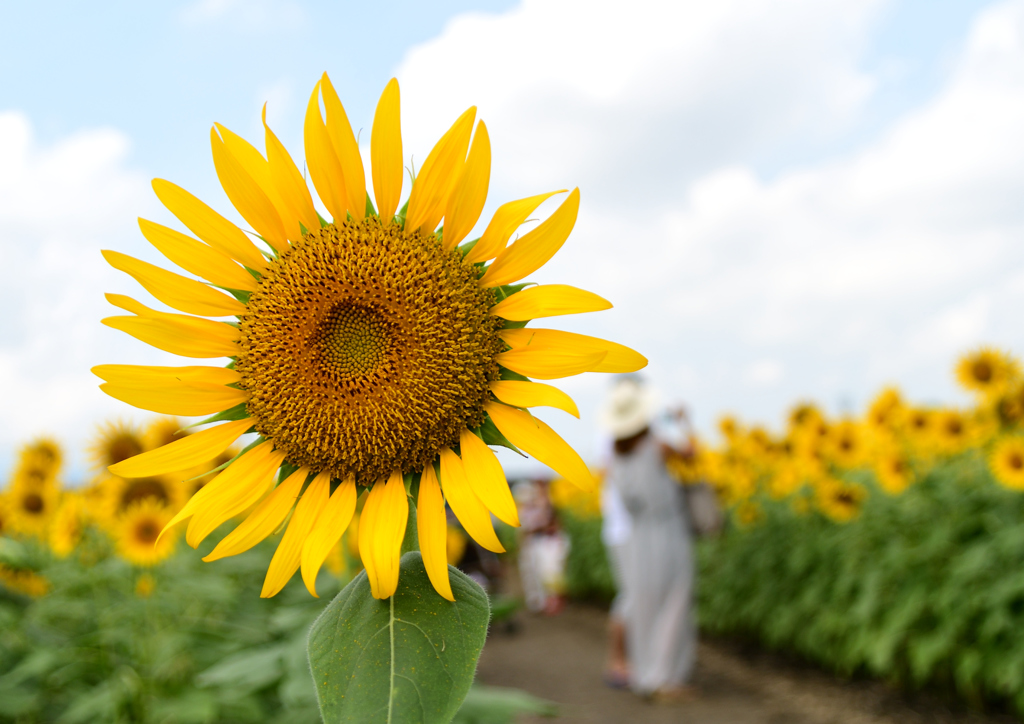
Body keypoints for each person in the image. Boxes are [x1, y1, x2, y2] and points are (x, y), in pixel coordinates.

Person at [599, 376, 698, 702]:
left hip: (637, 533)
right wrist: (684, 422)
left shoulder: (616, 452)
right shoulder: (657, 445)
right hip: (666, 528)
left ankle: (645, 676)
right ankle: (667, 678)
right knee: (674, 599)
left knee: (643, 604)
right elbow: (692, 454)